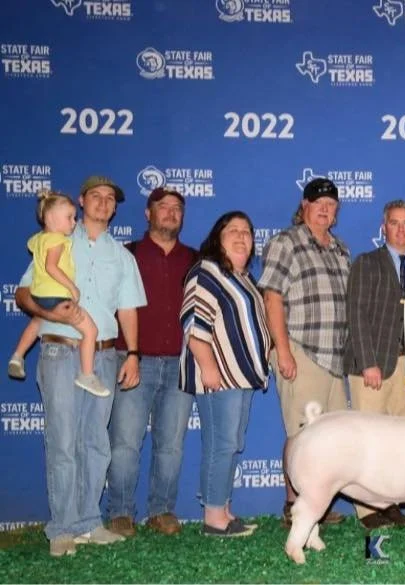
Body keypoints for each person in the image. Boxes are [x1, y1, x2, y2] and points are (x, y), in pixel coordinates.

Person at [15, 175, 146, 557]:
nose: (103, 202)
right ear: (81, 201)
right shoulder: (56, 241)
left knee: (96, 442)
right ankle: (62, 527)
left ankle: (89, 522)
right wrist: (46, 311)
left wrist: (133, 353)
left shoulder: (122, 256)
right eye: (96, 196)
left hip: (104, 354)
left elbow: (128, 310)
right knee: (63, 441)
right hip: (58, 350)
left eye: (111, 198)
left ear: (115, 208)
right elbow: (23, 293)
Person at [105, 187, 198, 537]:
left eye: (177, 208)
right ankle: (120, 511)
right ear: (148, 214)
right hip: (133, 360)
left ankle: (161, 510)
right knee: (125, 441)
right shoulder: (125, 254)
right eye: (164, 207)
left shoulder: (195, 259)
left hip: (179, 364)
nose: (171, 213)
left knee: (171, 444)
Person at [259, 177, 351, 527]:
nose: (325, 209)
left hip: (334, 357)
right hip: (300, 348)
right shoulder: (286, 242)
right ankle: (292, 504)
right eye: (318, 203)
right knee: (300, 434)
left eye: (331, 204)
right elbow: (272, 297)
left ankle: (318, 504)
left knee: (327, 438)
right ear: (304, 206)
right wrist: (282, 350)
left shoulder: (340, 248)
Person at [179, 211, 270, 537]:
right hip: (220, 375)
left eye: (247, 231)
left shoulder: (244, 279)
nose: (242, 236)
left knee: (230, 443)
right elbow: (194, 324)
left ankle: (222, 508)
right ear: (218, 237)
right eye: (233, 230)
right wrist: (208, 367)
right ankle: (213, 518)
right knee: (221, 444)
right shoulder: (207, 272)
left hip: (241, 377)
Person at [345, 199, 405, 529]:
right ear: (384, 227)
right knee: (368, 441)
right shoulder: (366, 263)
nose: (401, 229)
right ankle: (368, 510)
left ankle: (391, 504)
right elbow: (356, 314)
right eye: (394, 222)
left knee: (399, 443)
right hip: (372, 366)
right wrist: (368, 362)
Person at [9, 190, 110, 397]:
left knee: (37, 321)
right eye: (69, 218)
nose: (74, 223)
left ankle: (18, 355)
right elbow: (51, 267)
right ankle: (87, 374)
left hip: (40, 295)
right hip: (57, 295)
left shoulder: (38, 239)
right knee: (90, 330)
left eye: (74, 218)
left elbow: (38, 257)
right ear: (50, 218)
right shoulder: (58, 241)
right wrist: (72, 288)